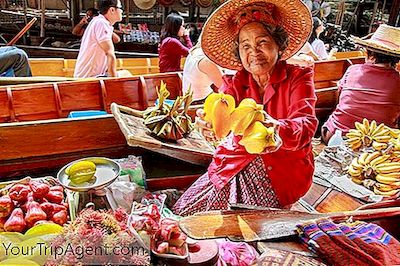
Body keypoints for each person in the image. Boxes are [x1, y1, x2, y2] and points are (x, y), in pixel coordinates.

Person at [173, 0, 317, 216]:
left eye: (263, 42)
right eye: (245, 46)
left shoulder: (298, 77)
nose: (254, 52)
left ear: (279, 45)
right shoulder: (235, 82)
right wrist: (207, 123)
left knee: (242, 227)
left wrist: (277, 128)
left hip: (282, 172)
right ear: (238, 52)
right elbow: (221, 117)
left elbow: (306, 125)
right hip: (233, 162)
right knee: (186, 212)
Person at [322, 24, 400, 144]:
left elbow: (340, 99)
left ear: (368, 53)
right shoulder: (397, 79)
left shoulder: (353, 69)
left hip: (335, 135)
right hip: (378, 142)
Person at [74, 0, 123, 78]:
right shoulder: (101, 23)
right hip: (89, 78)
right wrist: (114, 82)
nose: (122, 11)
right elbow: (110, 54)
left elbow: (117, 40)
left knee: (125, 73)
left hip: (94, 76)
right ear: (112, 10)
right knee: (126, 76)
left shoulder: (100, 21)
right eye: (120, 8)